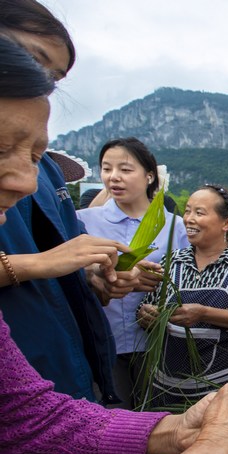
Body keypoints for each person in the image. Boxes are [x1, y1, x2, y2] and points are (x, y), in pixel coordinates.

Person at [0, 35, 228, 454]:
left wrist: (175, 431)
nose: (25, 182)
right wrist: (211, 451)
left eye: (36, 158)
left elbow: (26, 417)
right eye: (4, 149)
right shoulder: (153, 249)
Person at [0, 0, 139, 403]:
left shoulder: (47, 170)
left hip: (68, 370)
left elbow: (67, 256)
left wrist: (94, 278)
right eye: (33, 59)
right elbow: (53, 259)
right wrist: (39, 264)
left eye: (54, 78)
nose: (24, 181)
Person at [78, 138, 189, 407]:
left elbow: (187, 280)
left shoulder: (175, 227)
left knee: (160, 414)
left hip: (158, 345)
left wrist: (163, 302)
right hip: (102, 343)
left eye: (125, 169)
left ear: (149, 176)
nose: (114, 177)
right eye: (106, 169)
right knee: (113, 418)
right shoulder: (83, 221)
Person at [138, 184, 228, 407]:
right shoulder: (172, 262)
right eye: (187, 211)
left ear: (226, 223)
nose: (189, 219)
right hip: (167, 387)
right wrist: (146, 315)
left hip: (224, 384)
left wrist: (204, 314)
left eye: (199, 213)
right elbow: (147, 304)